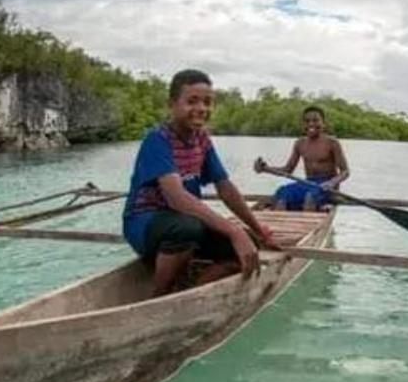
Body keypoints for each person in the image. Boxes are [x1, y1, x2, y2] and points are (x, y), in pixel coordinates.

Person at [123, 69, 278, 296]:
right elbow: (177, 199)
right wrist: (235, 231)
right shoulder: (157, 140)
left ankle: (191, 293)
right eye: (192, 101)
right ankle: (159, 293)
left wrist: (257, 231)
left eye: (207, 102)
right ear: (172, 104)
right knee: (188, 227)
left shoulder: (201, 140)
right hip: (145, 224)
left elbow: (225, 188)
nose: (201, 109)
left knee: (248, 249)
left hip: (182, 224)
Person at [254, 105, 350, 211]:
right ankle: (281, 223)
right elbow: (287, 170)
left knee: (310, 196)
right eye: (307, 121)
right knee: (282, 192)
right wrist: (266, 169)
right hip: (308, 183)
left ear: (323, 123)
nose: (311, 124)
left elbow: (345, 171)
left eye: (315, 120)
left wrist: (332, 182)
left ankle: (310, 224)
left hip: (327, 186)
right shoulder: (300, 143)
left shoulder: (332, 143)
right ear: (303, 124)